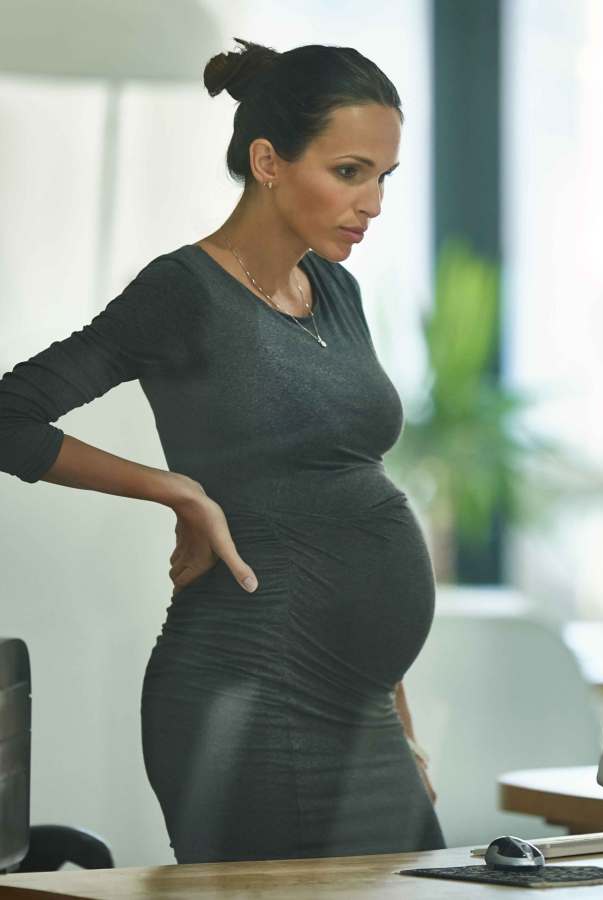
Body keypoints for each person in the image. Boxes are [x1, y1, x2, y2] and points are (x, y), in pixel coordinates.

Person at [0, 38, 444, 863]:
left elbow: (342, 505)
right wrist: (178, 491)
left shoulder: (337, 289)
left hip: (365, 709)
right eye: (350, 172)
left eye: (385, 176)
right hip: (251, 697)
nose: (374, 202)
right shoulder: (182, 293)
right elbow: (9, 415)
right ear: (268, 162)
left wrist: (401, 724)